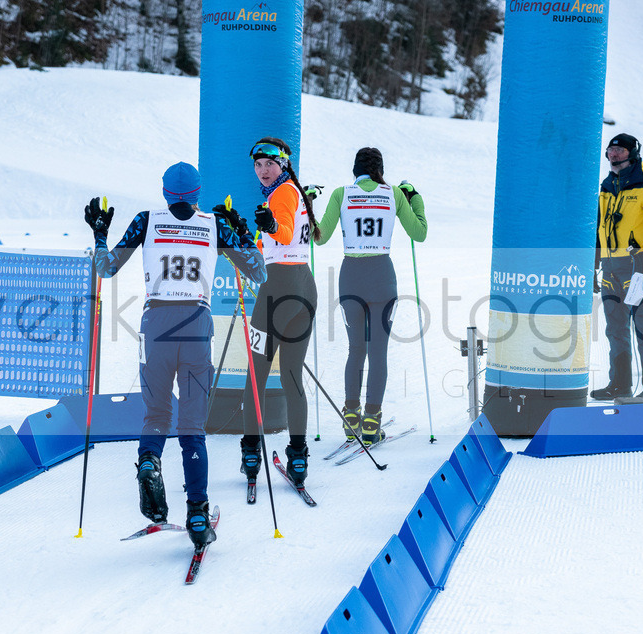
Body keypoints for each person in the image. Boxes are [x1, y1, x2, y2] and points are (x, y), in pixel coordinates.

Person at [85, 161, 266, 549]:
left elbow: (106, 268)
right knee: (191, 425)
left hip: (156, 324)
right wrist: (240, 228)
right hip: (197, 325)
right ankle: (198, 513)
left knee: (156, 415)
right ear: (198, 192)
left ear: (165, 192)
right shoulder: (213, 224)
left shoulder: (146, 220)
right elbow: (258, 272)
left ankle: (149, 461)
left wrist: (100, 234)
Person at [316, 147, 428, 444]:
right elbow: (419, 233)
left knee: (356, 350)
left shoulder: (341, 194)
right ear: (380, 169)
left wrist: (308, 205)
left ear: (356, 170)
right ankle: (371, 423)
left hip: (351, 275)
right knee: (378, 353)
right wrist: (414, 198)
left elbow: (320, 237)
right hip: (381, 275)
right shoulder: (393, 194)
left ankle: (351, 415)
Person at [239, 137, 320, 487]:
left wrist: (271, 226)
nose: (263, 169)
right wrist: (248, 234)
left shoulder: (283, 194)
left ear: (283, 163)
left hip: (278, 293)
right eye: (258, 164)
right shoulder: (291, 192)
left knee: (255, 378)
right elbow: (269, 246)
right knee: (290, 376)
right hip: (303, 289)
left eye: (269, 163)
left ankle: (251, 453)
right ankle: (298, 457)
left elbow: (282, 233)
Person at [590, 133, 643, 400]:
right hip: (610, 267)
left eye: (620, 151)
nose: (613, 155)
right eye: (610, 150)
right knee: (615, 331)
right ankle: (620, 385)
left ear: (632, 153)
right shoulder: (606, 185)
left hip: (640, 267)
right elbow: (598, 227)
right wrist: (593, 265)